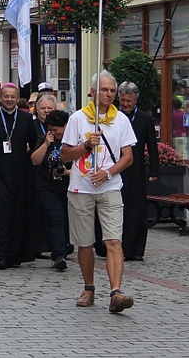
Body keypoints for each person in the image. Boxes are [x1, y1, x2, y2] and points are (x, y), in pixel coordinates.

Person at [61, 70, 136, 313]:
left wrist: (109, 173)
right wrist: (85, 145)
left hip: (110, 187)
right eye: (104, 90)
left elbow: (128, 157)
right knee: (85, 243)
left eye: (112, 90)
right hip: (81, 187)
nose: (109, 94)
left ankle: (116, 292)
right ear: (93, 91)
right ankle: (89, 287)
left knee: (114, 240)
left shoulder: (121, 120)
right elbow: (65, 155)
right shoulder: (78, 119)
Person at [0, 83, 37, 269]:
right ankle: (0, 254)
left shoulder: (26, 118)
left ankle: (15, 254)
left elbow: (35, 143)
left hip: (20, 174)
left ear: (17, 98)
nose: (9, 100)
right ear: (0, 98)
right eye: (6, 96)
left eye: (13, 97)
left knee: (18, 214)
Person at [118, 82, 158, 262]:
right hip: (117, 167)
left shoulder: (145, 119)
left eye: (129, 101)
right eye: (123, 100)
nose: (125, 104)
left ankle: (136, 249)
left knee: (137, 210)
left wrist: (154, 170)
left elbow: (152, 146)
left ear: (136, 101)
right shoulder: (115, 117)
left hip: (137, 170)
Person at [31, 109, 72, 271]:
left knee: (66, 221)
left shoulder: (72, 141)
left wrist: (67, 172)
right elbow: (34, 161)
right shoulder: (44, 139)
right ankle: (58, 256)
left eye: (57, 130)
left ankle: (65, 247)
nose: (54, 133)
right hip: (47, 186)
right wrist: (46, 144)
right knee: (56, 219)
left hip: (68, 186)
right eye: (51, 130)